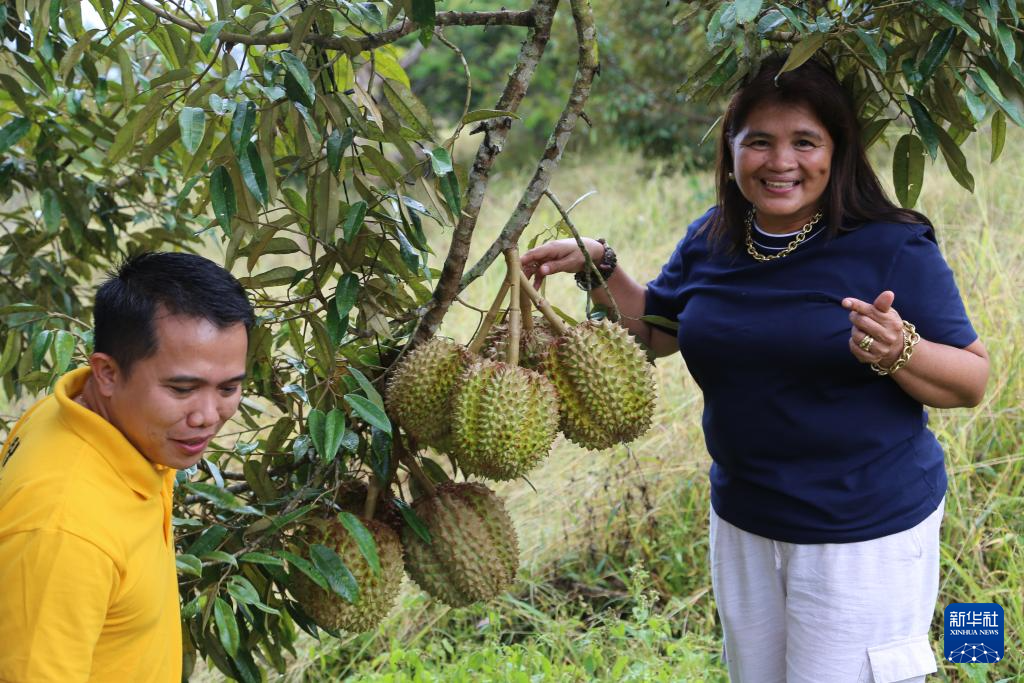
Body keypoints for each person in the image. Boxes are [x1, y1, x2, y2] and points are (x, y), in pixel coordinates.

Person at [522, 54, 989, 682]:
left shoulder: (890, 244)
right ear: (732, 150)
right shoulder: (713, 238)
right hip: (744, 523)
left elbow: (972, 380)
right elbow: (655, 332)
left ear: (837, 151)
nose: (781, 161)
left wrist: (900, 350)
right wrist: (598, 264)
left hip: (861, 534)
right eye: (760, 141)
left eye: (805, 142)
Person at [0, 252, 254, 682]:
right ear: (107, 373)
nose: (208, 416)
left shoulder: (98, 419)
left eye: (228, 388)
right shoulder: (65, 531)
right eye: (182, 389)